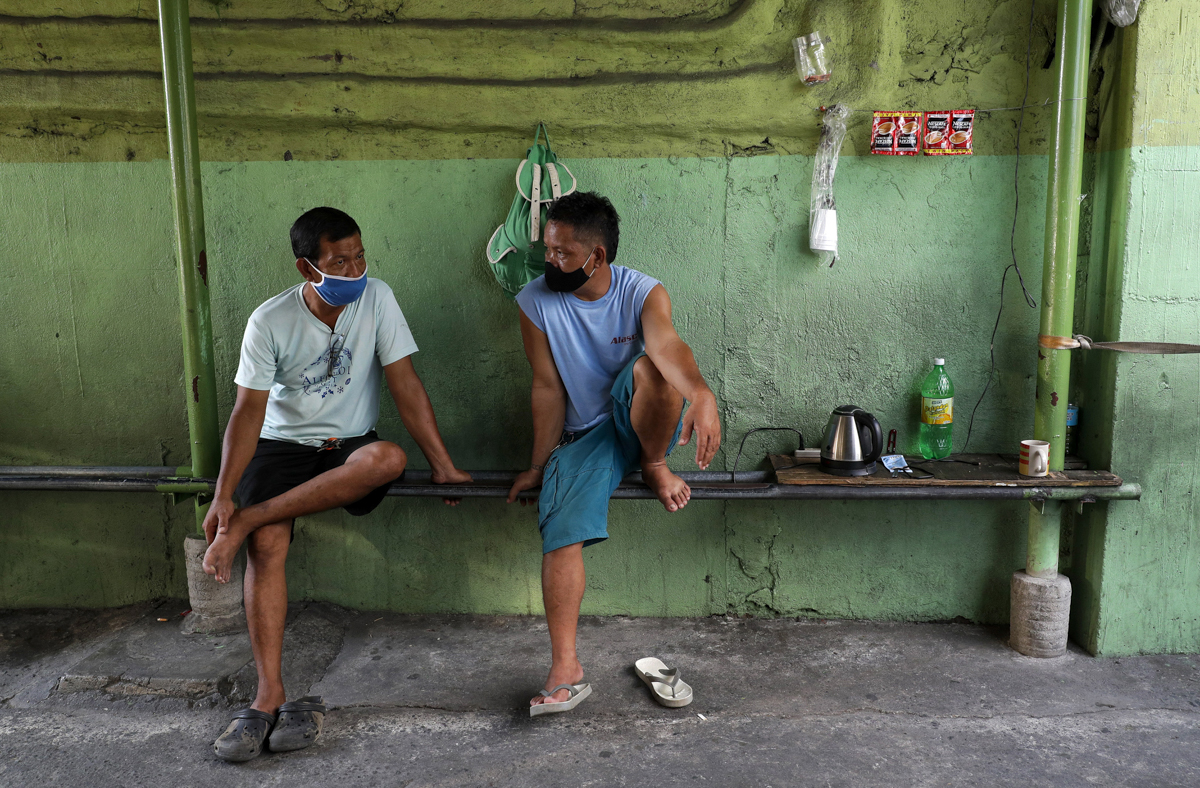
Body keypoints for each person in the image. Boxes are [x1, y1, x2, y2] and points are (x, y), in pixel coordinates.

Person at [204, 207, 471, 761]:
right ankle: (267, 693)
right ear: (308, 268)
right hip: (281, 447)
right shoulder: (269, 320)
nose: (355, 269)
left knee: (388, 457)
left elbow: (405, 383)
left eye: (360, 256)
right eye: (339, 261)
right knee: (268, 545)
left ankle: (253, 517)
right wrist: (224, 493)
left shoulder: (378, 298)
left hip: (350, 446)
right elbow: (247, 414)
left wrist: (441, 463)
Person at [506, 191, 722, 714]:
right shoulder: (534, 302)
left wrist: (702, 394)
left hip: (647, 420)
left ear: (596, 256)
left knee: (651, 367)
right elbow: (546, 387)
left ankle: (653, 465)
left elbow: (668, 348)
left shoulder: (642, 292)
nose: (549, 260)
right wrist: (539, 465)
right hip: (587, 438)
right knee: (561, 530)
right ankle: (566, 668)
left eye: (561, 252)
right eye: (548, 249)